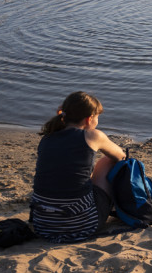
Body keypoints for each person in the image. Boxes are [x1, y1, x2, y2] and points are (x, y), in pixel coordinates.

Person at [30, 91, 126, 243]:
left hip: (43, 224)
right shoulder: (93, 136)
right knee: (108, 161)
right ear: (89, 119)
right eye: (97, 117)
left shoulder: (47, 137)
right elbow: (121, 156)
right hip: (82, 225)